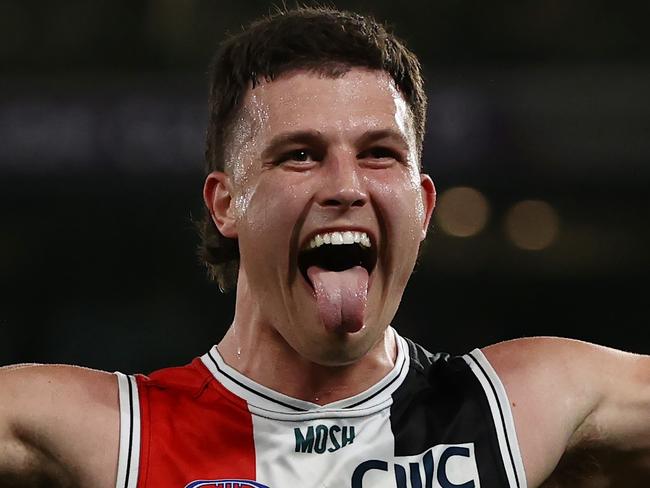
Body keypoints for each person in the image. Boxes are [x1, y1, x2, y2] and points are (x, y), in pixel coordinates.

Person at [1, 6, 649, 488]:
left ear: (422, 207)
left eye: (378, 155)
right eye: (301, 155)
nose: (346, 186)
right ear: (227, 203)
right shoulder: (116, 431)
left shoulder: (519, 404)